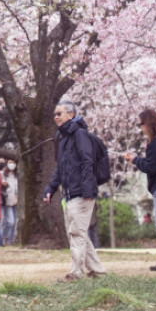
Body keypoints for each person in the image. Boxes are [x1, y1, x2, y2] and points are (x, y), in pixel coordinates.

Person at [42, 100, 105, 282]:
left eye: (59, 113)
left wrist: (86, 189)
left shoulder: (80, 134)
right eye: (55, 114)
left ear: (71, 115)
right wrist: (50, 189)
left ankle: (76, 273)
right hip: (70, 193)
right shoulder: (63, 139)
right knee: (79, 233)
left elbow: (88, 161)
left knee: (76, 232)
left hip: (82, 193)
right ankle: (98, 271)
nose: (56, 117)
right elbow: (60, 169)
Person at [124, 108, 156, 271]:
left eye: (141, 124)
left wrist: (135, 160)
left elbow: (151, 167)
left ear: (147, 123)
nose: (140, 128)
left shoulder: (155, 143)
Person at [0, 160, 18, 246]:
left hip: (17, 201)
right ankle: (3, 237)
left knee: (14, 223)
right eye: (10, 162)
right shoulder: (3, 174)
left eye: (14, 162)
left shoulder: (17, 175)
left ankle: (10, 241)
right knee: (10, 221)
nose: (12, 164)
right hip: (7, 201)